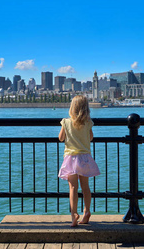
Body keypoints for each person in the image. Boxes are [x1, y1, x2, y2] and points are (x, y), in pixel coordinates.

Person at [58, 95, 100, 227]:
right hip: (84, 158)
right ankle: (87, 211)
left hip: (71, 158)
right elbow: (91, 137)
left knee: (73, 187)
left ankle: (74, 214)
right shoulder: (88, 123)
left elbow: (60, 138)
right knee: (85, 187)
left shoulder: (66, 122)